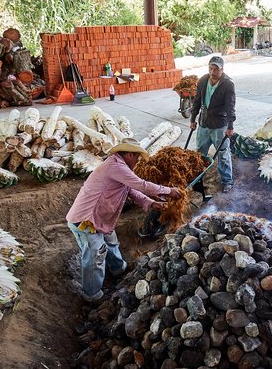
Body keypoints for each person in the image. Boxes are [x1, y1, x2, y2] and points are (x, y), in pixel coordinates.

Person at [66, 138, 182, 301]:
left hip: (101, 219)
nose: (138, 161)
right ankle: (92, 295)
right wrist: (169, 191)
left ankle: (118, 270)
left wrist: (151, 203)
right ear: (129, 155)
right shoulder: (115, 166)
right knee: (95, 255)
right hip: (86, 220)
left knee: (111, 242)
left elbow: (131, 191)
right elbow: (141, 185)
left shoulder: (120, 167)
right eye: (137, 157)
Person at [190, 56, 236, 193]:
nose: (213, 71)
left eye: (216, 69)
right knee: (199, 153)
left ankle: (227, 181)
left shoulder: (228, 84)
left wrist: (230, 126)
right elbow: (197, 100)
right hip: (204, 123)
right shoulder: (203, 80)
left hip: (219, 125)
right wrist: (193, 118)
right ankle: (197, 180)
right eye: (211, 68)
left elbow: (230, 106)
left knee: (223, 153)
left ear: (222, 69)